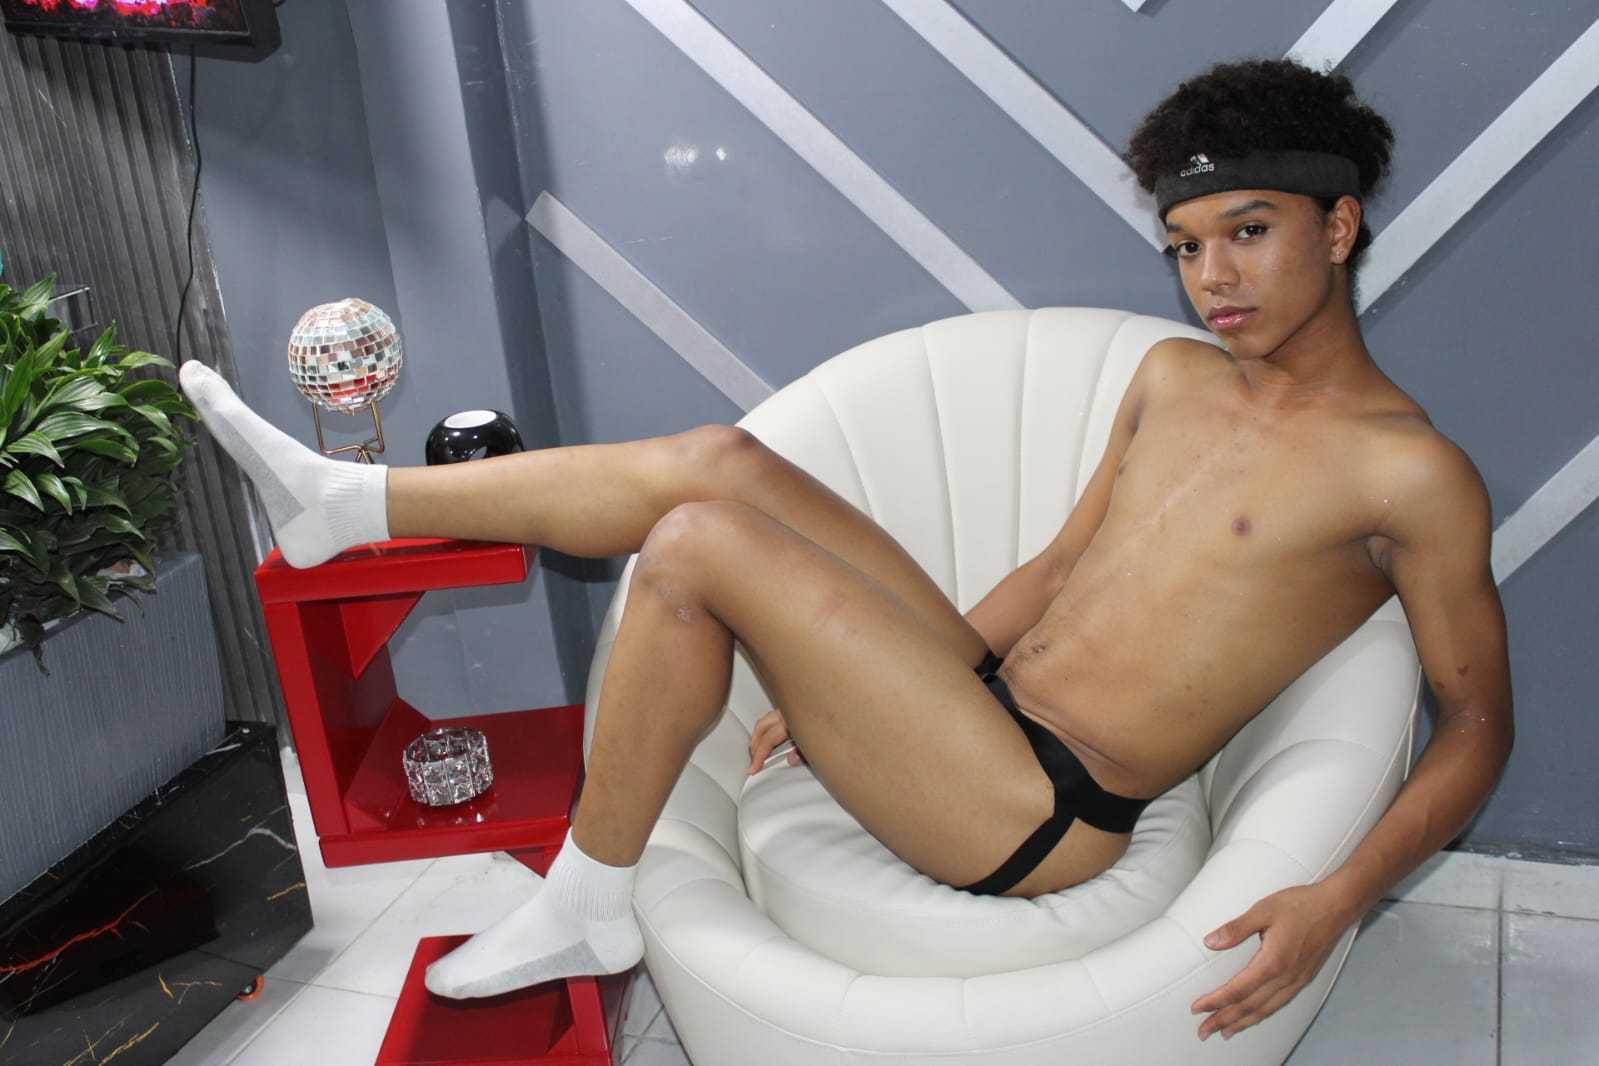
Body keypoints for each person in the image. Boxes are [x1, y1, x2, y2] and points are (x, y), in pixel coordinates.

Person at [177, 55, 1512, 1043]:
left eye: (1248, 233)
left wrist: (1336, 897)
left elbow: (1475, 727)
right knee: (720, 463)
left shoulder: (1410, 473)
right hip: (971, 709)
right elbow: (1059, 572)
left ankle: (591, 890)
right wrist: (871, 692)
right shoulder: (1174, 376)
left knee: (697, 545)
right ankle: (351, 502)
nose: (1210, 277)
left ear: (1340, 227)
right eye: (1185, 246)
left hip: (1048, 806)